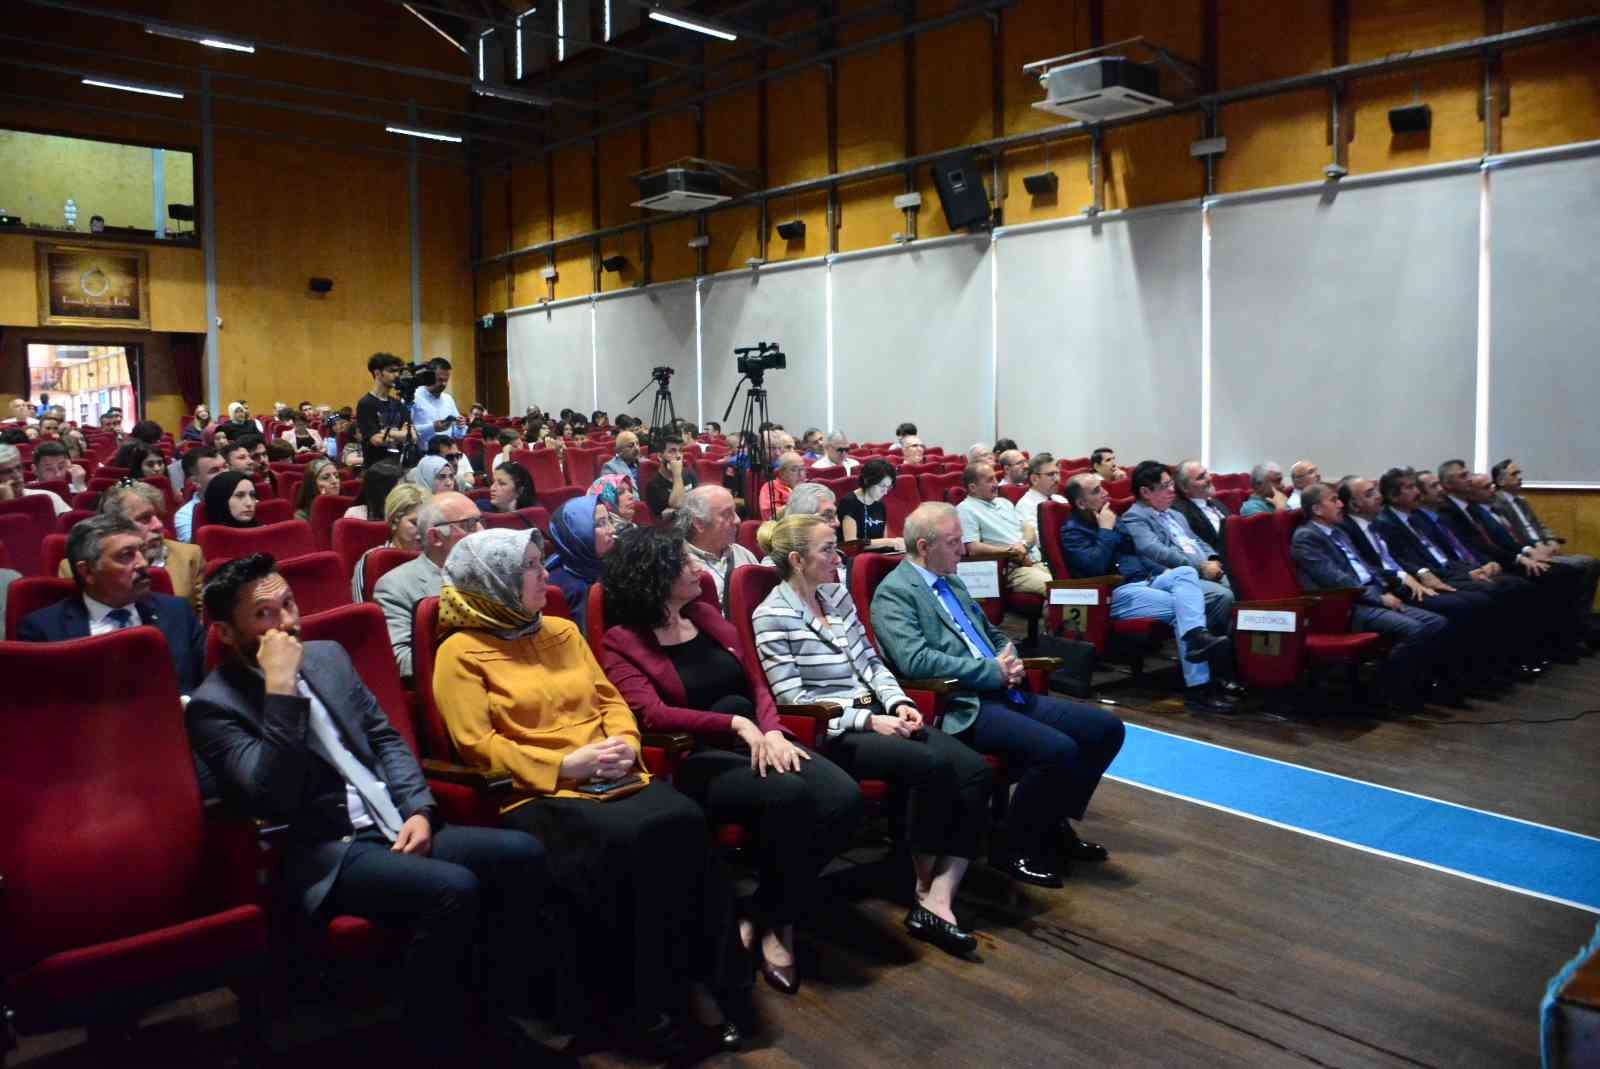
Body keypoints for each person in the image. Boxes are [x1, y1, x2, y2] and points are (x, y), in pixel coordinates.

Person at [188, 553, 548, 1060]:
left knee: (523, 854)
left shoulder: (329, 656)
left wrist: (420, 810)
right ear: (226, 632)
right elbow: (273, 794)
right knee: (453, 888)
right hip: (328, 849)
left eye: (288, 603)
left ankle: (494, 1010)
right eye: (265, 615)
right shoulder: (213, 706)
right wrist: (281, 690)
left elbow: (386, 739)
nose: (288, 622)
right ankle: (438, 1041)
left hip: (395, 822)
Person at [431, 528, 745, 1053]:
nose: (545, 575)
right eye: (530, 567)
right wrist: (562, 764)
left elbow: (610, 700)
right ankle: (637, 1000)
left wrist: (625, 741)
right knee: (628, 841)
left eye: (540, 563)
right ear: (496, 583)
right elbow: (477, 745)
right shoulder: (460, 652)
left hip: (610, 768)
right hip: (538, 789)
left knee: (683, 821)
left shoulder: (560, 630)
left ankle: (700, 980)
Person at [601, 528, 863, 984]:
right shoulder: (620, 641)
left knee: (844, 799)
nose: (698, 570)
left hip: (760, 738)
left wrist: (772, 729)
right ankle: (780, 929)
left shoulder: (703, 614)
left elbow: (756, 680)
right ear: (654, 575)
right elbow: (654, 714)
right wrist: (735, 725)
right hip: (696, 755)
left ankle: (762, 909)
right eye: (684, 564)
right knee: (789, 796)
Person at [753, 515, 992, 957]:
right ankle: (921, 886)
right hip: (832, 726)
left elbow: (871, 662)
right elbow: (794, 698)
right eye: (827, 549)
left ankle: (940, 892)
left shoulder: (837, 595)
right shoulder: (771, 614)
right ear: (796, 559)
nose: (837, 556)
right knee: (932, 765)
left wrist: (897, 701)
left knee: (974, 770)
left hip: (875, 708)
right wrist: (869, 720)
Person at [871, 503, 1125, 888]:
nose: (963, 550)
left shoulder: (952, 581)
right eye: (954, 543)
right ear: (924, 546)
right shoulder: (894, 593)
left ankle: (1052, 821)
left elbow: (991, 632)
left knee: (1106, 728)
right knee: (1057, 750)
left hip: (1003, 690)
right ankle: (1015, 846)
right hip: (961, 704)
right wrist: (991, 671)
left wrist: (1011, 656)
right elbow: (916, 661)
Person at [1059, 473, 1235, 714]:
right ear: (1081, 503)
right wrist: (1106, 531)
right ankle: (1199, 689)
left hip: (1146, 581)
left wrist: (1160, 574)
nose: (1105, 493)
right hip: (1114, 593)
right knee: (1183, 609)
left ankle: (1197, 637)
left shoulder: (1111, 518)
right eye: (1097, 491)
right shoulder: (1073, 531)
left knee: (1185, 572)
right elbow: (1094, 568)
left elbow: (1137, 555)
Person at [1292, 483, 1451, 711]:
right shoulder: (1306, 538)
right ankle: (1387, 690)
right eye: (1334, 500)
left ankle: (1411, 685)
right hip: (1347, 605)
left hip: (1371, 594)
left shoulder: (1339, 531)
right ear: (1317, 509)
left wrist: (1386, 587)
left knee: (1438, 622)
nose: (1341, 504)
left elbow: (1366, 567)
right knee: (1417, 630)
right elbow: (1336, 580)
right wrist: (1379, 597)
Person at [1338, 476, 1499, 696]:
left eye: (1375, 491)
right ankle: (1452, 681)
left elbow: (1398, 558)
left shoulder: (1378, 524)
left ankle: (1473, 673)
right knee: (1462, 605)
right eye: (1369, 494)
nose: (1378, 496)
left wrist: (1419, 573)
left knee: (1475, 599)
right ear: (1354, 505)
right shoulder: (1346, 529)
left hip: (1410, 581)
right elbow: (1369, 568)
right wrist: (1406, 577)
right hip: (1390, 590)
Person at [22, 515, 206, 694]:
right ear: (87, 572)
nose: (142, 563)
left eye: (141, 551)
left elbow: (207, 683)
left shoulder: (177, 612)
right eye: (126, 556)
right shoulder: (44, 631)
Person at [1117, 460, 1235, 636]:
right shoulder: (1135, 517)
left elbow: (1197, 541)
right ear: (1145, 492)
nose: (1172, 490)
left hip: (1202, 570)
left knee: (1240, 588)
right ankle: (1204, 647)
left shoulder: (1175, 514)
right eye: (1165, 486)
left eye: (1171, 483)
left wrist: (1213, 559)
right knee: (1223, 596)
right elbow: (1156, 551)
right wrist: (1201, 568)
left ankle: (1231, 650)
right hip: (1171, 578)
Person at [374, 491, 480, 679]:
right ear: (435, 537)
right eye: (469, 525)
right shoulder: (395, 586)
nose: (481, 531)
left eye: (480, 521)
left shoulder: (495, 572)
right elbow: (402, 661)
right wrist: (476, 659)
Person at [1492, 457, 1599, 640]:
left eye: (1519, 473)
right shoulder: (1496, 504)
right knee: (1579, 567)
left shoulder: (1521, 501)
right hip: (1530, 553)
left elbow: (1539, 525)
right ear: (1500, 481)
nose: (1520, 477)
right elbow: (1510, 537)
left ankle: (1581, 620)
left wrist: (1551, 540)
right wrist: (1535, 548)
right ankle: (1576, 625)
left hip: (1544, 548)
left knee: (1590, 564)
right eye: (1514, 474)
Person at [92, 481, 206, 609]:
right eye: (144, 518)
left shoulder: (189, 555)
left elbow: (202, 615)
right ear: (114, 525)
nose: (158, 525)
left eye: (158, 516)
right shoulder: (87, 567)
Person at [956, 462, 1051, 596]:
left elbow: (1028, 529)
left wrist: (1022, 545)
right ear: (973, 487)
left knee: (1072, 587)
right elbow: (973, 548)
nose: (996, 484)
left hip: (1036, 562)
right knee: (1058, 591)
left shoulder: (1004, 503)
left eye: (995, 478)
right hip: (1012, 569)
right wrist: (1011, 551)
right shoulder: (965, 509)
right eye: (990, 480)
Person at [679, 484, 759, 612]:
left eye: (735, 512)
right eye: (727, 514)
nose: (737, 521)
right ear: (699, 523)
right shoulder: (680, 565)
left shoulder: (743, 553)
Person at [544, 492, 615, 632]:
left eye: (609, 521)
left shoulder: (597, 566)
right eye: (601, 523)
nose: (612, 530)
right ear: (579, 533)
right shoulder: (575, 588)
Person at [351, 483, 429, 603]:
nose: (422, 530)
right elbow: (361, 611)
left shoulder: (434, 557)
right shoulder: (371, 560)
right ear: (393, 522)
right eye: (414, 522)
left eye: (427, 523)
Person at [356, 352, 416, 468]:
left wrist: (384, 432)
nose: (397, 375)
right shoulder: (366, 404)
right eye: (392, 371)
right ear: (377, 373)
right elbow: (377, 440)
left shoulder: (398, 403)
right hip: (376, 468)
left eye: (398, 371)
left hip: (398, 466)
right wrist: (401, 434)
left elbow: (413, 436)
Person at [1172, 460, 1233, 565]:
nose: (1209, 478)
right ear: (1184, 488)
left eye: (1206, 473)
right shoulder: (1181, 512)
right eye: (1201, 477)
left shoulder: (1216, 503)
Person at [838, 458, 903, 550]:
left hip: (876, 557)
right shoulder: (849, 502)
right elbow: (851, 544)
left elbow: (883, 540)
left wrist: (894, 545)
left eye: (888, 487)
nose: (885, 492)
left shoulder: (880, 505)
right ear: (867, 481)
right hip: (855, 559)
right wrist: (889, 542)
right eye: (882, 486)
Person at [411, 357, 466, 454]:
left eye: (446, 380)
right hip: (422, 454)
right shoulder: (413, 397)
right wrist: (432, 427)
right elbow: (406, 431)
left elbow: (458, 435)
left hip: (448, 455)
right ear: (429, 376)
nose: (444, 384)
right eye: (440, 380)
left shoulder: (448, 399)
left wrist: (460, 426)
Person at [0, 443, 67, 516]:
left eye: (19, 468)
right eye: (7, 471)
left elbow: (75, 525)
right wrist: (6, 503)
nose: (17, 475)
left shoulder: (47, 497)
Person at [643, 436, 698, 519]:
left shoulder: (689, 473)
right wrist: (677, 475)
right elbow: (678, 503)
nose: (678, 456)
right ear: (660, 456)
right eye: (672, 451)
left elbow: (699, 502)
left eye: (680, 451)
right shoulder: (653, 484)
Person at [1015, 452, 1067, 536]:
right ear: (1034, 479)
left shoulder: (1061, 499)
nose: (1057, 479)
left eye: (1057, 473)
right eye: (1051, 474)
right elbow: (1039, 539)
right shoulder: (1025, 505)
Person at [290, 457, 343, 522]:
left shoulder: (349, 507)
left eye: (336, 476)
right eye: (325, 478)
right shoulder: (301, 516)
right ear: (312, 484)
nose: (334, 481)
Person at [757, 451, 803, 518]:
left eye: (802, 469)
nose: (801, 474)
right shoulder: (771, 487)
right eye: (794, 470)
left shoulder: (807, 487)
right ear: (781, 473)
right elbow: (771, 516)